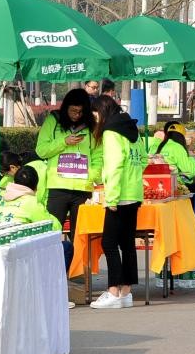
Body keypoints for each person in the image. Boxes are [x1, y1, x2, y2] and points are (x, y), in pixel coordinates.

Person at [89, 96, 144, 310]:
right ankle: (126, 293)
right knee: (127, 243)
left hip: (118, 195)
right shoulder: (132, 130)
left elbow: (114, 166)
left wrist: (111, 197)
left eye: (94, 113)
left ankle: (113, 291)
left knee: (109, 243)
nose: (93, 118)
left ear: (102, 111)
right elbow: (143, 159)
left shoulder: (111, 132)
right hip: (134, 193)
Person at [36, 89, 102, 241]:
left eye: (80, 112)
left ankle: (76, 258)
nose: (76, 115)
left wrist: (92, 176)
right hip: (58, 186)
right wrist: (63, 142)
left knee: (80, 235)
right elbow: (41, 150)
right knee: (52, 233)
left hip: (83, 188)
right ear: (66, 107)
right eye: (73, 111)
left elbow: (98, 155)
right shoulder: (53, 121)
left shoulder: (91, 126)